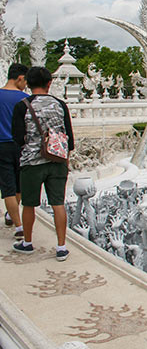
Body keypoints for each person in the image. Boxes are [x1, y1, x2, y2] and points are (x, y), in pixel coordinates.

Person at [11, 66, 74, 261]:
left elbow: (17, 138)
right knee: (58, 203)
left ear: (27, 84)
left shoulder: (22, 105)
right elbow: (69, 139)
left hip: (31, 162)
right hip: (57, 160)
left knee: (29, 204)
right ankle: (61, 247)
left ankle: (28, 242)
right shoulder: (60, 105)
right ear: (49, 83)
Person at [1, 63, 28, 239]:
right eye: (25, 80)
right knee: (19, 186)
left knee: (8, 187)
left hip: (1, 145)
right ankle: (14, 218)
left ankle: (17, 224)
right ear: (20, 78)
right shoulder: (25, 99)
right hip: (20, 146)